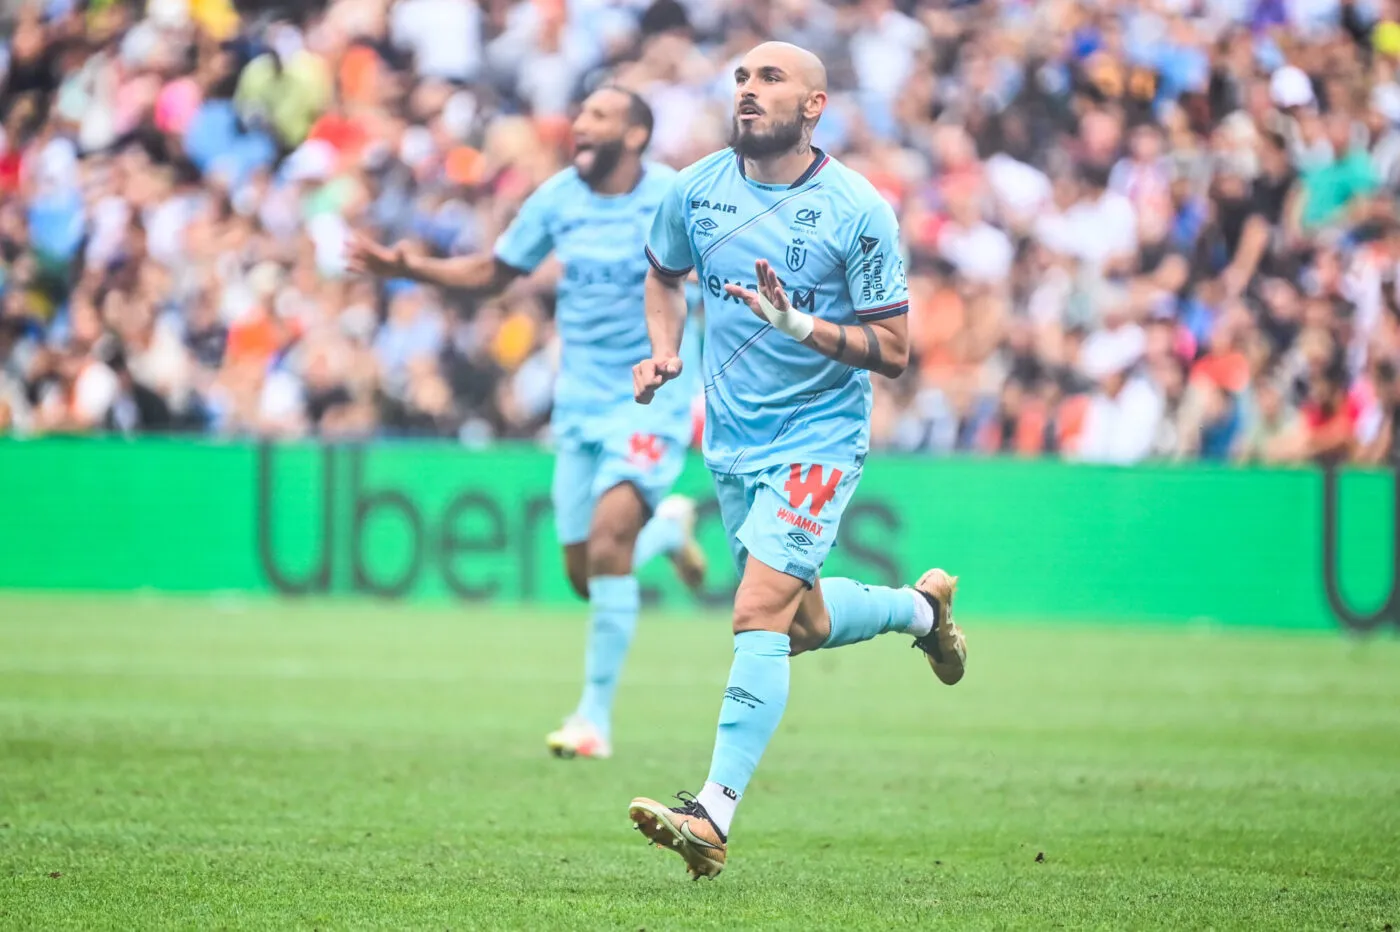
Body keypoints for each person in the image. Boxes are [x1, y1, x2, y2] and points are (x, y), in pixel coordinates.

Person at [626, 42, 968, 880]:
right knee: (800, 624)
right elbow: (664, 275)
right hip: (734, 442)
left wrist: (802, 327)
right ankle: (923, 613)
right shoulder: (694, 190)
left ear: (814, 106)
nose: (747, 90)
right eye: (741, 77)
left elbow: (893, 350)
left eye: (769, 79)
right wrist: (664, 351)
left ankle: (711, 814)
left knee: (756, 610)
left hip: (818, 437)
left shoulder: (859, 210)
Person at [348, 86, 706, 761]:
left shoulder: (673, 195)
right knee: (587, 574)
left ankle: (592, 718)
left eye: (599, 116)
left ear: (635, 135)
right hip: (579, 401)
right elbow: (494, 272)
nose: (580, 123)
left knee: (606, 546)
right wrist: (409, 269)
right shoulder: (558, 198)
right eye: (581, 113)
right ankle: (669, 528)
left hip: (653, 392)